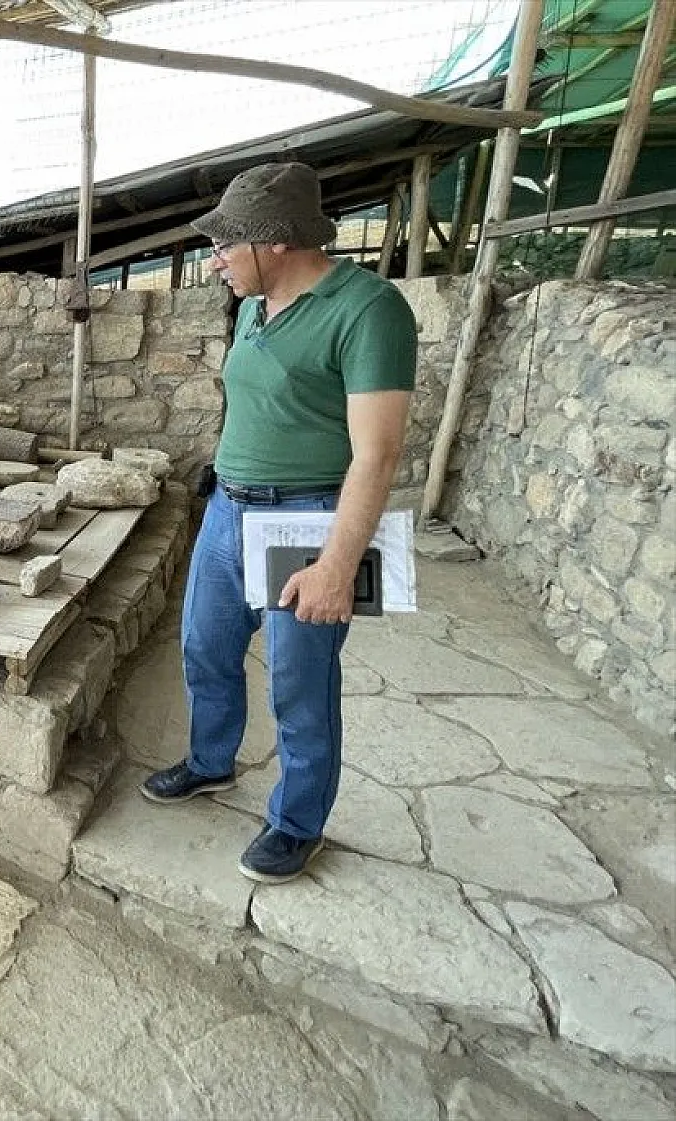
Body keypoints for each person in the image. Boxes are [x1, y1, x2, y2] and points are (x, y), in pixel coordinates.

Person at [140, 162, 416, 884]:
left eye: (229, 243)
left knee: (300, 682)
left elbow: (378, 454)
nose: (217, 257)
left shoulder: (370, 310)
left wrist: (334, 564)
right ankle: (210, 762)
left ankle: (297, 822)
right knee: (204, 644)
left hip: (310, 516)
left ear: (277, 240)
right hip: (229, 507)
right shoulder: (255, 305)